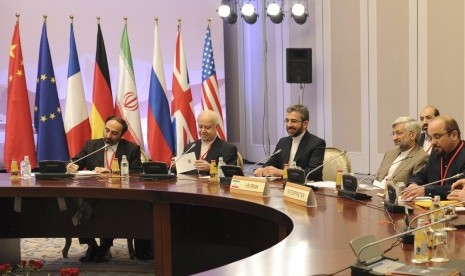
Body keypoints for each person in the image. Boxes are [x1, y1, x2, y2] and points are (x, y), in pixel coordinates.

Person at [67, 115, 142, 262]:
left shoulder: (132, 148)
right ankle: (91, 244)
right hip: (91, 193)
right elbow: (76, 161)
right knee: (76, 206)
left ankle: (105, 247)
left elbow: (137, 174)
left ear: (121, 135)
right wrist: (72, 165)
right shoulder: (91, 146)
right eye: (106, 130)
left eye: (114, 133)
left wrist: (114, 172)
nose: (108, 135)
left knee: (107, 208)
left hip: (118, 196)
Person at [254, 104, 326, 181]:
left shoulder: (316, 143)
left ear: (305, 124)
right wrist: (261, 169)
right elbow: (271, 163)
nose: (289, 125)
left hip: (307, 189)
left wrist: (283, 173)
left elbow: (313, 173)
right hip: (282, 187)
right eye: (287, 120)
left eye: (293, 121)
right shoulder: (283, 142)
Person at [403, 115, 465, 200]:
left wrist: (426, 191)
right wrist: (413, 184)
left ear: (454, 135)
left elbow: (459, 188)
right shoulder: (436, 153)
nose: (432, 142)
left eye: (437, 137)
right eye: (430, 138)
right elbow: (421, 175)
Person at [179, 110, 237, 175]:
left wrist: (211, 168)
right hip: (191, 184)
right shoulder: (189, 147)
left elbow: (231, 174)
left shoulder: (228, 149)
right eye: (200, 127)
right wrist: (176, 166)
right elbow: (182, 173)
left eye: (207, 127)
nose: (203, 130)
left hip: (214, 184)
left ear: (216, 127)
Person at [376, 117, 428, 186]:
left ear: (412, 135)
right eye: (393, 134)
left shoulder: (421, 157)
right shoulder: (390, 153)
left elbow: (414, 185)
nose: (394, 138)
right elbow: (377, 178)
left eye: (398, 133)